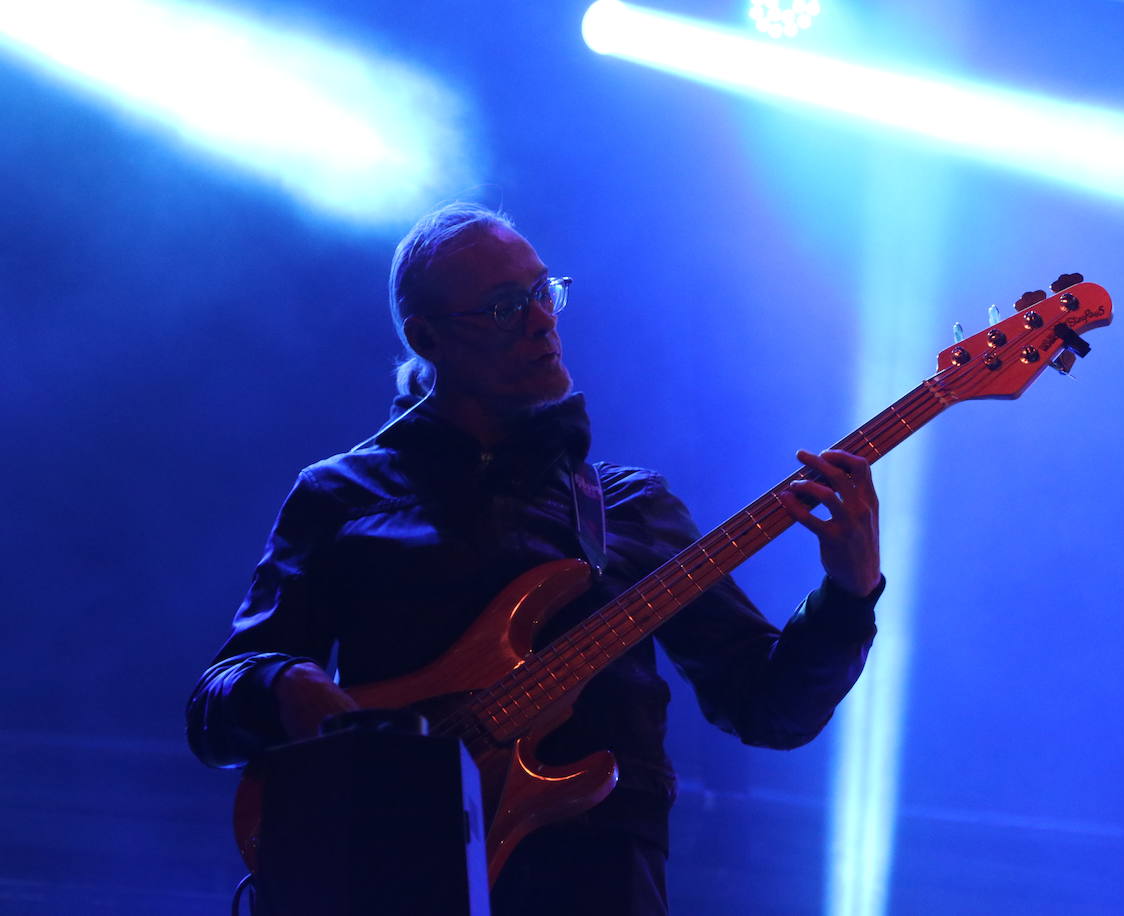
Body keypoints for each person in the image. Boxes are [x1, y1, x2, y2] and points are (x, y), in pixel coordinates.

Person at [186, 202, 884, 915]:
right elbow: (215, 708)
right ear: (427, 338)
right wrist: (279, 684)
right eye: (502, 307)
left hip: (597, 882)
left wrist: (848, 596)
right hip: (390, 869)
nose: (542, 320)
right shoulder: (340, 495)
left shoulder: (627, 506)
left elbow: (769, 710)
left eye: (543, 292)